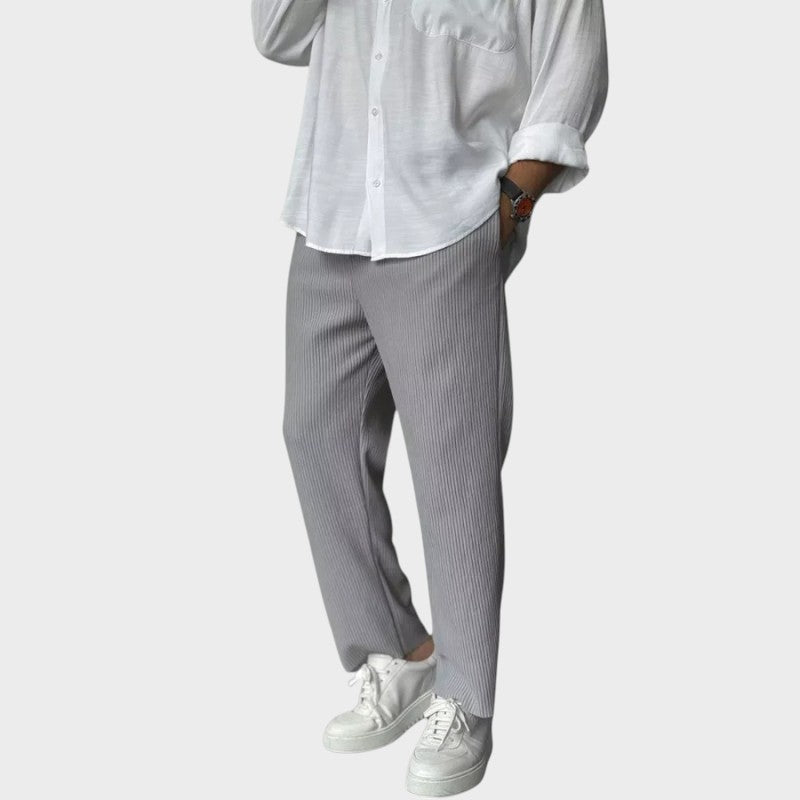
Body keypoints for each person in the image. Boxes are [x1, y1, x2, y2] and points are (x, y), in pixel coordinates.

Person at [251, 1, 608, 794]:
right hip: (331, 211)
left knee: (454, 467)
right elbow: (276, 35)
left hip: (447, 220)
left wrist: (512, 205)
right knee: (314, 435)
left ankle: (466, 700)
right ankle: (402, 654)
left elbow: (570, 70)